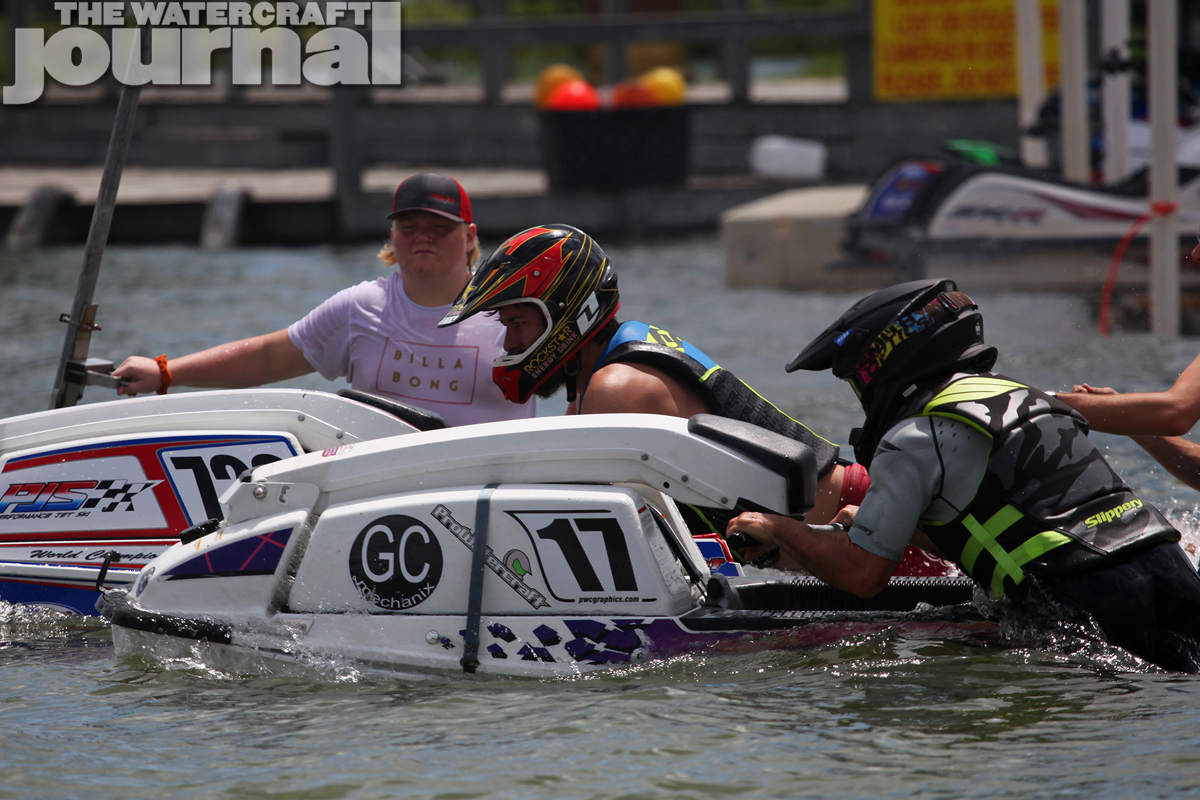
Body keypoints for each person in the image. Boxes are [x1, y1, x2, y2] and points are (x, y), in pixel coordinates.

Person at [725, 277, 1200, 673]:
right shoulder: (1026, 396)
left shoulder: (914, 435)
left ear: (884, 363)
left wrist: (777, 528)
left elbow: (862, 576)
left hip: (1094, 601)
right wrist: (898, 531)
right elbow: (1015, 524)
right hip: (1172, 569)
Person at [436, 223, 949, 574]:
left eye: (517, 323)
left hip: (864, 532)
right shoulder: (610, 365)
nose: (509, 344)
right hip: (854, 512)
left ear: (567, 316)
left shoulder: (617, 388)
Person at [112, 173, 533, 428]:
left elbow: (584, 374)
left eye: (439, 227)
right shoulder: (361, 307)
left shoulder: (518, 309)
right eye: (409, 226)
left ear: (470, 238)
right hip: (386, 486)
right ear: (393, 238)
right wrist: (166, 373)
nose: (423, 235)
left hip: (487, 488)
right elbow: (267, 357)